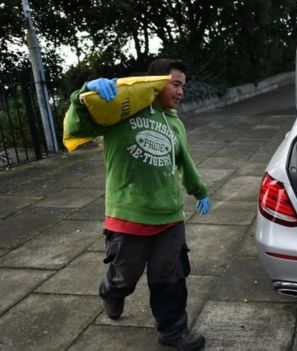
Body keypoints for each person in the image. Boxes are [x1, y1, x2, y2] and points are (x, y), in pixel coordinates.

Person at [65, 58, 209, 351]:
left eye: (183, 86)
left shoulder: (174, 121)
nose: (181, 92)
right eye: (176, 84)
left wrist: (199, 190)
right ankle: (111, 292)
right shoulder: (121, 109)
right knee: (124, 277)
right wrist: (82, 94)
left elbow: (183, 161)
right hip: (128, 214)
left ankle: (172, 331)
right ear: (155, 82)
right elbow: (78, 123)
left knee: (171, 277)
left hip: (169, 215)